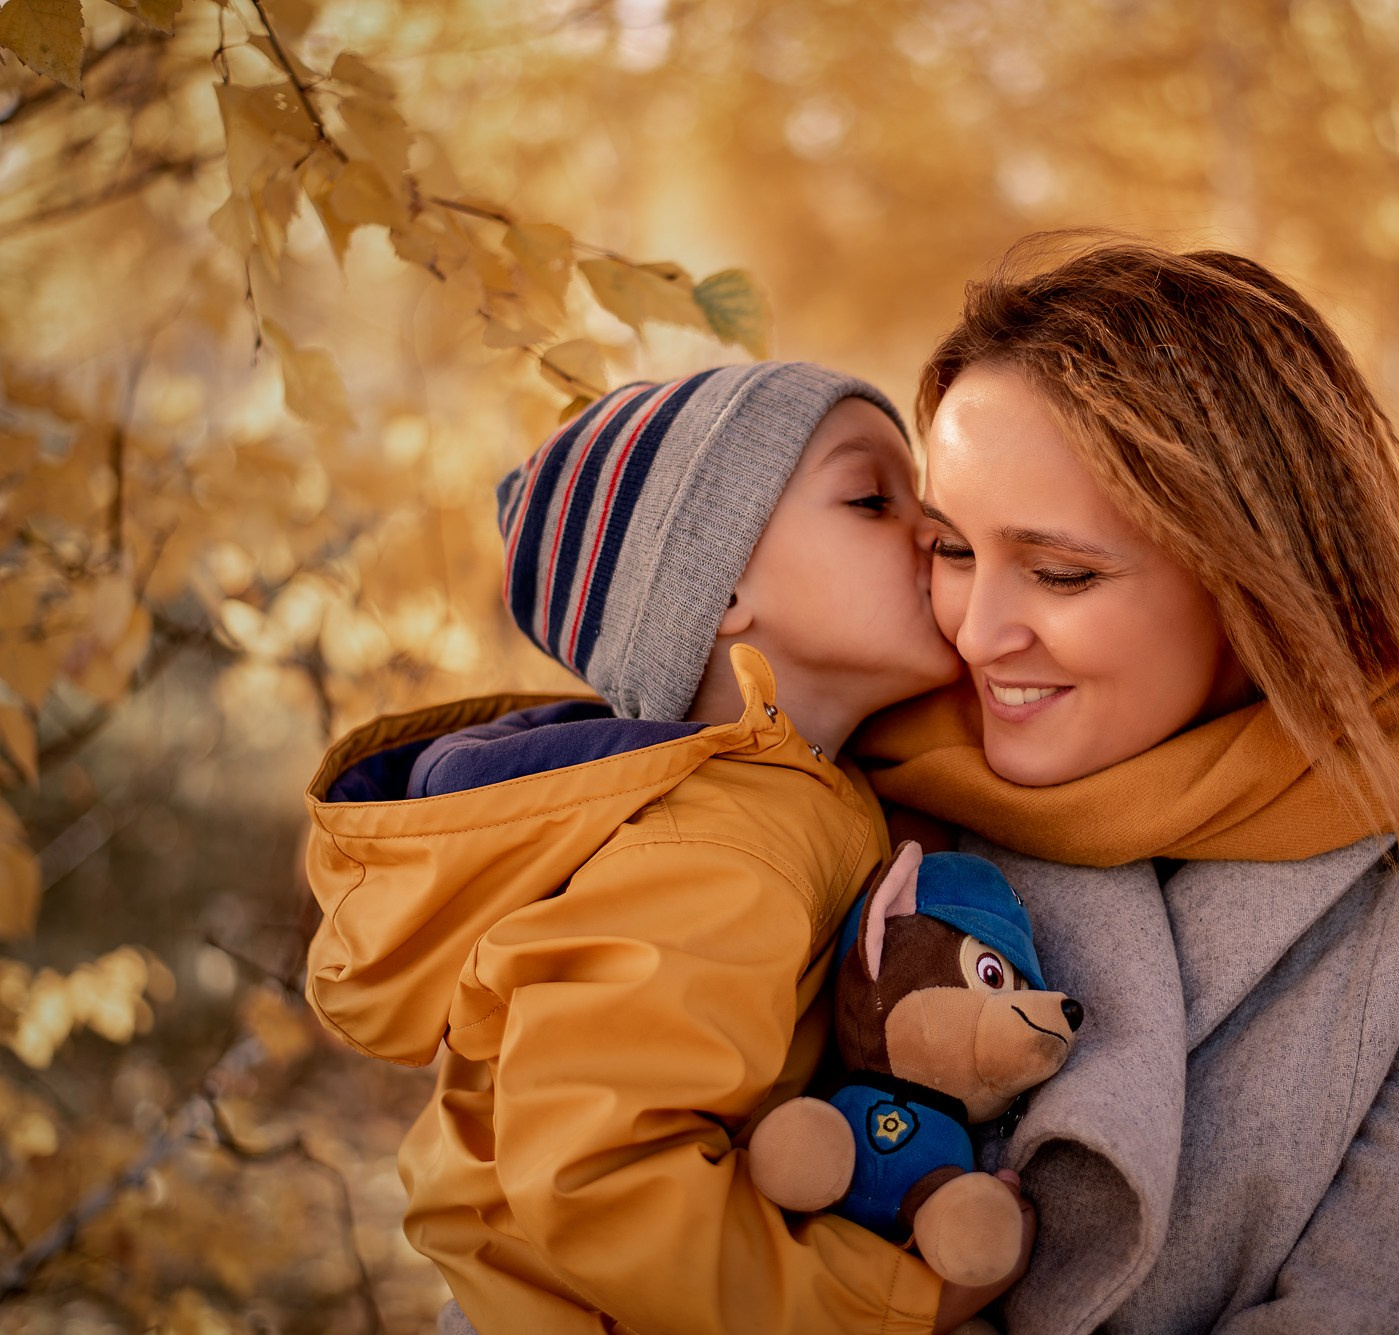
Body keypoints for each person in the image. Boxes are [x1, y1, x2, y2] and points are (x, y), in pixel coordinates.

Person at [857, 238, 1399, 1334]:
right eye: (952, 552)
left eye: (1060, 572)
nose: (979, 634)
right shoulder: (880, 775)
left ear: (1254, 574)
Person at [299, 363, 1026, 1334]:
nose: (934, 532)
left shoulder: (804, 797)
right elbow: (604, 1184)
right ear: (717, 590)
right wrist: (895, 1301)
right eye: (869, 499)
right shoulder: (715, 846)